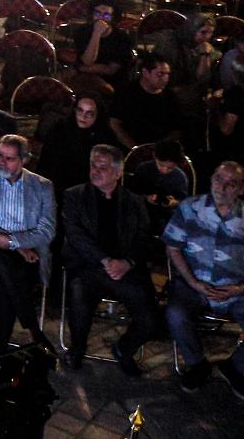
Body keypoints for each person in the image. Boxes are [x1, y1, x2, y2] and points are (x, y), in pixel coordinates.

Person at [164, 162, 244, 398]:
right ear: (211, 179)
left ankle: (235, 367)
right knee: (175, 315)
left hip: (238, 291)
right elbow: (172, 247)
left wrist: (241, 288)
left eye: (231, 183)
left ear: (242, 188)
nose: (222, 187)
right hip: (193, 286)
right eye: (218, 179)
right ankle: (197, 364)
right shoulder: (189, 209)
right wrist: (192, 282)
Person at [59, 144, 158, 374]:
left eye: (102, 167)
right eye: (93, 165)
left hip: (125, 269)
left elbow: (144, 238)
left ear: (118, 173)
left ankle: (124, 349)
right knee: (79, 297)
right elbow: (75, 235)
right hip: (88, 266)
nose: (95, 171)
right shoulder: (74, 196)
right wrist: (105, 260)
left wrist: (127, 262)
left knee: (151, 318)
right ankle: (77, 348)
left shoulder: (134, 202)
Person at [0, 134, 56, 356]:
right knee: (3, 263)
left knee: (9, 277)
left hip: (28, 253)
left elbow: (47, 230)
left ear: (24, 160)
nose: (2, 162)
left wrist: (14, 243)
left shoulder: (42, 186)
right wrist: (13, 244)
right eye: (0, 156)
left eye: (10, 158)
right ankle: (33, 329)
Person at [36, 95, 117, 195]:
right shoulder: (60, 129)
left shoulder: (106, 137)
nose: (83, 116)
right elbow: (45, 165)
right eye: (80, 110)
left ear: (98, 115)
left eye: (89, 113)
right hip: (56, 188)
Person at [109, 55, 184, 151]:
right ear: (145, 72)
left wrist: (160, 148)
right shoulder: (126, 93)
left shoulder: (170, 97)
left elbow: (176, 128)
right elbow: (115, 123)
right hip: (129, 149)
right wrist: (137, 149)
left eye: (167, 74)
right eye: (160, 74)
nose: (165, 79)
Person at [70, 0, 134, 84]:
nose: (101, 18)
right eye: (97, 14)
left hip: (112, 82)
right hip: (84, 79)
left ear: (113, 18)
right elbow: (87, 61)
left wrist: (81, 68)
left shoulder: (122, 38)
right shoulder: (82, 31)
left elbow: (110, 70)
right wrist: (96, 34)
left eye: (106, 15)